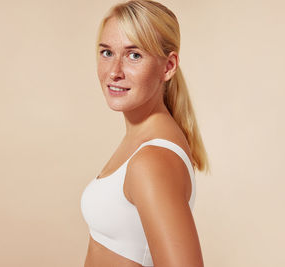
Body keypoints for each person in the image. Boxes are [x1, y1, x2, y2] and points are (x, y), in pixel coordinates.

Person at [80, 0, 210, 266]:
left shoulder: (151, 160)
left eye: (134, 55)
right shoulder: (142, 138)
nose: (114, 72)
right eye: (106, 52)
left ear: (168, 66)